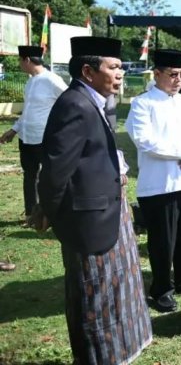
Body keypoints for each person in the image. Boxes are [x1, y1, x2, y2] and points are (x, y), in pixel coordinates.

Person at [38, 36, 152, 364]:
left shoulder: (98, 101)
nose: (120, 74)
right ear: (88, 71)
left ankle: (119, 352)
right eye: (113, 67)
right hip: (89, 222)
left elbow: (90, 153)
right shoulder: (74, 104)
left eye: (120, 67)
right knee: (96, 298)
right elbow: (56, 170)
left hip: (106, 211)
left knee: (116, 292)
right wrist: (49, 210)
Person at [125, 49, 181, 313]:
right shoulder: (143, 103)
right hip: (161, 184)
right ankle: (162, 288)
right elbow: (144, 139)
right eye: (173, 74)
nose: (178, 80)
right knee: (163, 240)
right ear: (157, 73)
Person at [0, 45, 67, 225]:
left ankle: (50, 215)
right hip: (26, 138)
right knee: (29, 176)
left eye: (20, 61)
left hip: (44, 138)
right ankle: (31, 214)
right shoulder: (30, 82)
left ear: (27, 60)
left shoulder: (52, 80)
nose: (19, 64)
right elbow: (28, 112)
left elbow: (70, 101)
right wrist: (14, 130)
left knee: (48, 177)